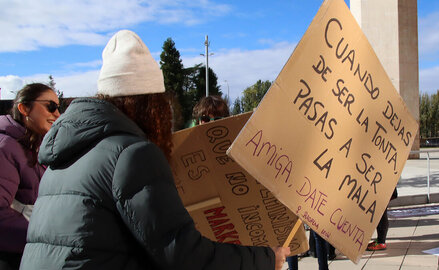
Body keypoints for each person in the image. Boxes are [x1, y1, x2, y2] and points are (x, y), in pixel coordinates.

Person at [20, 30, 290, 270]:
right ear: (151, 106)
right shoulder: (132, 154)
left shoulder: (61, 159)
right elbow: (183, 255)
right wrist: (266, 259)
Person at [0, 83, 60, 269]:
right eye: (50, 106)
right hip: (16, 256)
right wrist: (46, 238)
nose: (57, 114)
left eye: (59, 107)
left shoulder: (38, 144)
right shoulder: (6, 147)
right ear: (24, 108)